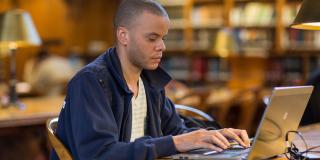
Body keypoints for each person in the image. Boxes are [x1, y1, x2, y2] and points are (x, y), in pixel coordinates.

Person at [51, 0, 250, 159]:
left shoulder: (150, 80)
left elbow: (176, 129)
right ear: (123, 36)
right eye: (152, 38)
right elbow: (99, 154)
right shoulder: (90, 81)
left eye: (163, 38)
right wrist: (177, 142)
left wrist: (215, 136)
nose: (161, 46)